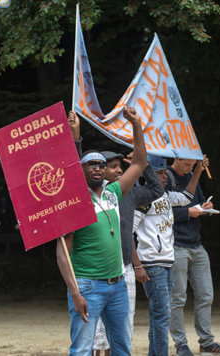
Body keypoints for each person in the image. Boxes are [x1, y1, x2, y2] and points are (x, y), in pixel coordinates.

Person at [56, 105, 147, 356]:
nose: (97, 168)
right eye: (90, 164)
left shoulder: (113, 192)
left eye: (101, 164)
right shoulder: (74, 201)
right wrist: (75, 292)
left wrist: (137, 126)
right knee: (82, 349)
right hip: (88, 286)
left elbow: (139, 162)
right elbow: (62, 252)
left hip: (117, 285)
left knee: (122, 350)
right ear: (81, 170)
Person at [91, 151, 165, 356]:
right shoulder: (90, 193)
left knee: (124, 325)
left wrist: (145, 166)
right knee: (98, 331)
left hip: (125, 268)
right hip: (99, 270)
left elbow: (156, 190)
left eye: (120, 166)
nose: (119, 170)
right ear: (100, 170)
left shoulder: (129, 192)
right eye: (112, 166)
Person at [133, 155, 205, 356]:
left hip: (166, 261)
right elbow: (128, 231)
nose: (165, 176)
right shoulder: (143, 198)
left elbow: (187, 197)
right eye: (159, 173)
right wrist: (137, 265)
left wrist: (197, 171)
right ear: (148, 175)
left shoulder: (166, 196)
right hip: (152, 263)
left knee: (158, 315)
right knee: (162, 315)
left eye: (165, 172)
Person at [167, 156, 220, 356]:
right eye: (187, 164)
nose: (189, 168)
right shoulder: (165, 177)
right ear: (176, 158)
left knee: (206, 294)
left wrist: (204, 208)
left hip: (196, 244)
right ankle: (181, 345)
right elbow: (160, 213)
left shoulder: (191, 176)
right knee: (177, 298)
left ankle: (206, 342)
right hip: (176, 245)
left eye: (192, 165)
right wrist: (189, 212)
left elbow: (198, 201)